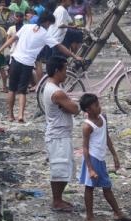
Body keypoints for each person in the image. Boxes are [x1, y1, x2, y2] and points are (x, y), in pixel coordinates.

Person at [0, 11, 78, 123]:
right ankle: (21, 115)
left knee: (12, 89)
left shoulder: (26, 27)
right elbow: (59, 46)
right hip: (27, 64)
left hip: (15, 60)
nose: (49, 26)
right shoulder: (44, 34)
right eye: (50, 24)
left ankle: (11, 115)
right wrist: (74, 55)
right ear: (47, 22)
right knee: (22, 91)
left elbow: (12, 39)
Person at [77, 94, 131, 221]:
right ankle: (90, 216)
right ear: (88, 110)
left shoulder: (103, 118)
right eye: (96, 105)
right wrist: (90, 168)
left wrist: (114, 155)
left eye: (99, 104)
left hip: (101, 159)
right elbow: (85, 148)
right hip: (92, 159)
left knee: (106, 186)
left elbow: (106, 137)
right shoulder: (87, 126)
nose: (100, 107)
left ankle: (117, 212)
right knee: (90, 187)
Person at [40, 57, 80, 212]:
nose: (66, 73)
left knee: (65, 167)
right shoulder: (56, 92)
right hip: (58, 135)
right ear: (57, 71)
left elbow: (70, 107)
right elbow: (75, 109)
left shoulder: (53, 87)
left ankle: (59, 199)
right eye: (64, 69)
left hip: (60, 133)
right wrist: (70, 105)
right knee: (60, 168)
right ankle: (57, 200)